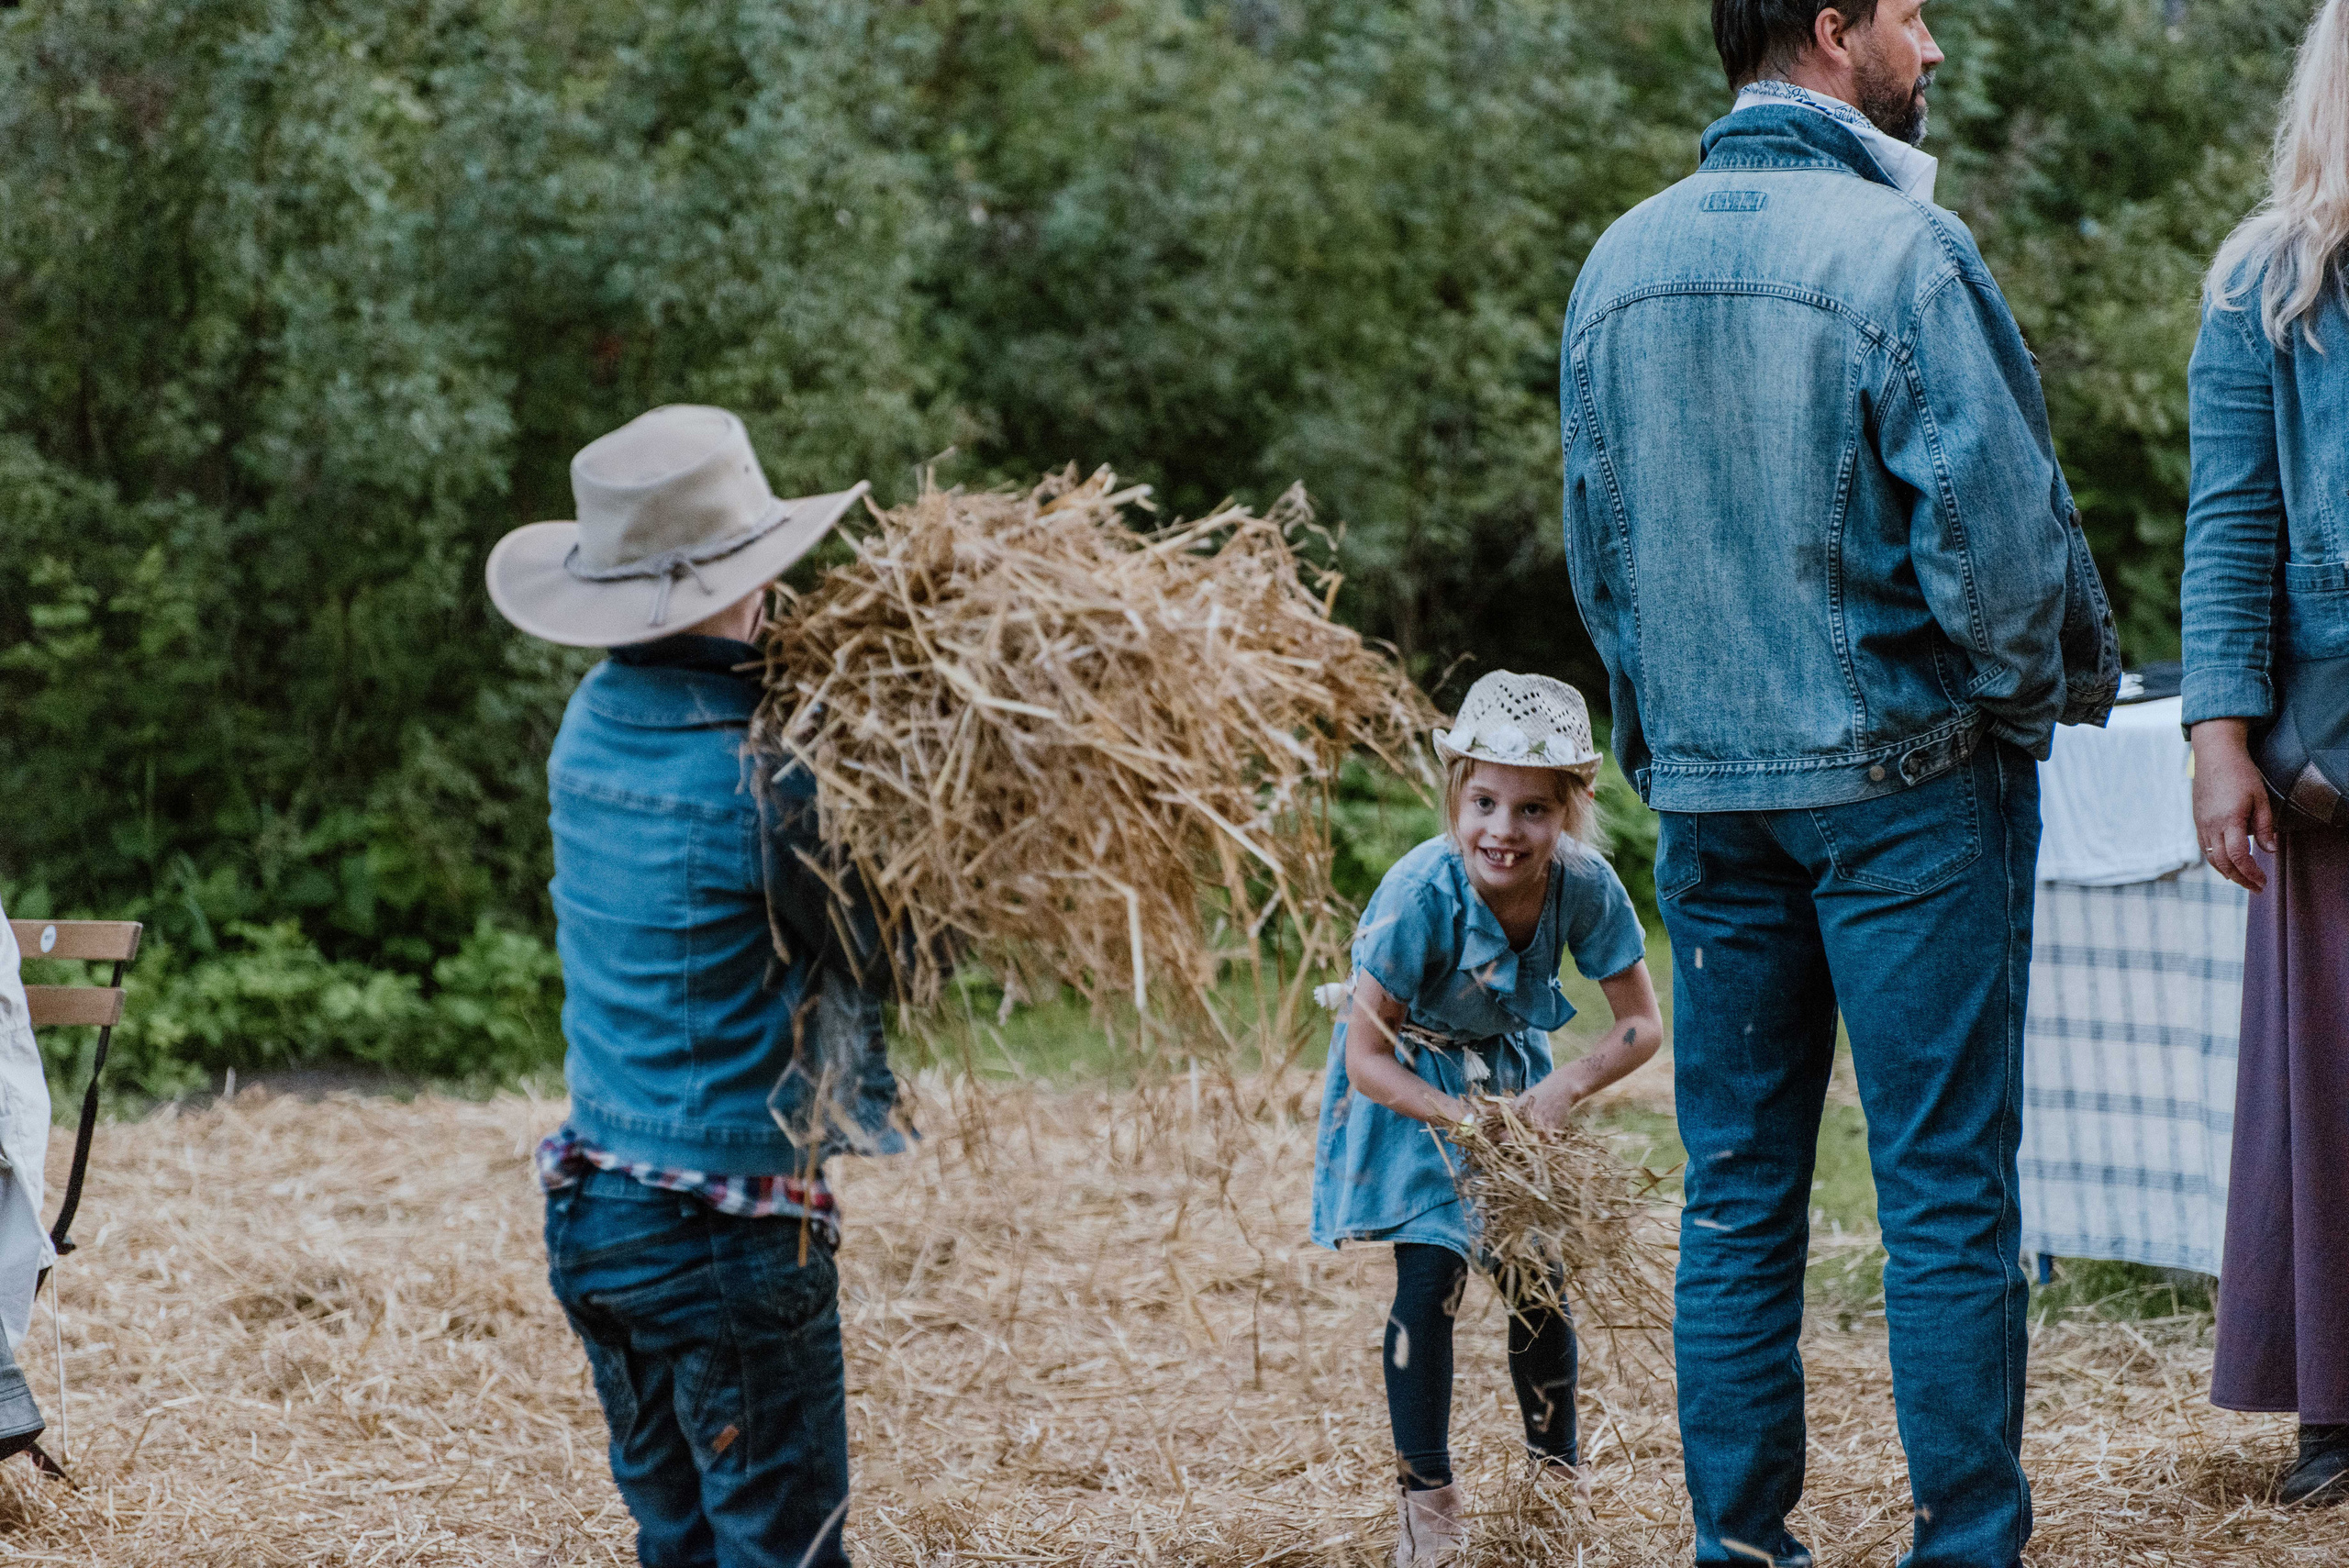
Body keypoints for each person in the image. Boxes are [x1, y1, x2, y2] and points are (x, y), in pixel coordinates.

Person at [1559, 0, 2121, 1560]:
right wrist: (2024, 710)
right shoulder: (1902, 257)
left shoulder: (1616, 267)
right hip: (1908, 783)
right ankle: (1964, 1548)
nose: (1932, 46)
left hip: (1713, 795)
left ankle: (1738, 1546)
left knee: (1737, 1192)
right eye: (1911, 13)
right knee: (1945, 1189)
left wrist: (1666, 743)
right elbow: (2004, 559)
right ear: (1830, 30)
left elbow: (1600, 560)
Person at [485, 404, 901, 1568]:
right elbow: (881, 948)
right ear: (735, 587)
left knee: (677, 1539)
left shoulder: (590, 725)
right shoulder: (766, 780)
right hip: (721, 1228)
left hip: (596, 1213)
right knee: (781, 1546)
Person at [1309, 672, 1664, 1565]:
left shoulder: (1583, 885)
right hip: (1413, 1082)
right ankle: (1426, 1510)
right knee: (1428, 1280)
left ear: (1571, 808)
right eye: (1483, 801)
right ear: (1455, 794)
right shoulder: (1416, 891)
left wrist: (1561, 1088)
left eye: (1532, 808)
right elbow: (1364, 1055)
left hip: (1513, 1085)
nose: (1503, 829)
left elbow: (1639, 1023)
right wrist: (1458, 1117)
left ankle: (1555, 1492)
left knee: (1538, 1281)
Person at [2183, 0, 2349, 1509]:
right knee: (2334, 1068)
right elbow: (2232, 519)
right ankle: (2342, 1398)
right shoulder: (2272, 279)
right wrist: (2220, 733)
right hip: (2337, 745)